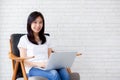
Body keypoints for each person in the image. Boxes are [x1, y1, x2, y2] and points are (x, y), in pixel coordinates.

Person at [17, 11, 70, 80]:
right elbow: (24, 62)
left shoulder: (47, 39)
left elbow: (50, 57)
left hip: (47, 66)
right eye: (35, 22)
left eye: (40, 22)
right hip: (32, 69)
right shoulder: (24, 39)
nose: (38, 25)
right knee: (54, 74)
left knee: (63, 71)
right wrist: (40, 64)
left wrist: (57, 62)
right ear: (30, 23)